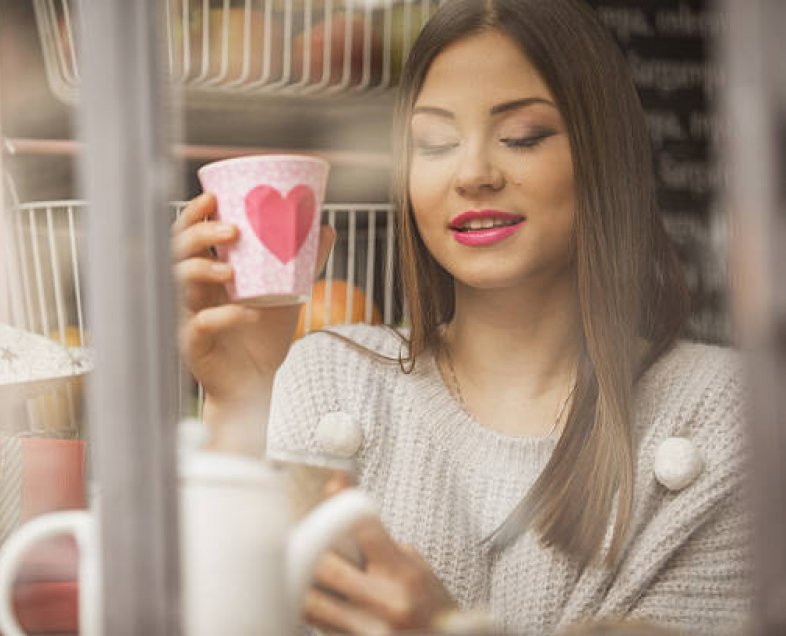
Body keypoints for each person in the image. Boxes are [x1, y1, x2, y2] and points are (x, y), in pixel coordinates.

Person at [171, 0, 749, 633]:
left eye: (523, 136)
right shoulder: (325, 378)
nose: (473, 174)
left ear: (605, 155)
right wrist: (239, 400)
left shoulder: (723, 411)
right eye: (436, 143)